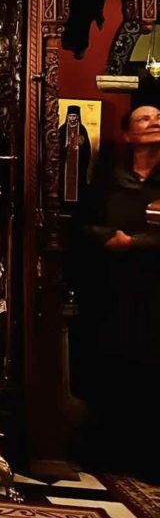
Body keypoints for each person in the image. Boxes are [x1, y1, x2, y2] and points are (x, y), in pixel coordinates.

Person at [77, 98, 160, 475]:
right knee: (114, 368)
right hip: (114, 287)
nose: (153, 122)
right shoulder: (109, 180)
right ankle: (110, 454)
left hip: (154, 289)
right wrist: (106, 238)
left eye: (158, 117)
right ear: (127, 134)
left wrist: (135, 243)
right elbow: (83, 223)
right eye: (143, 118)